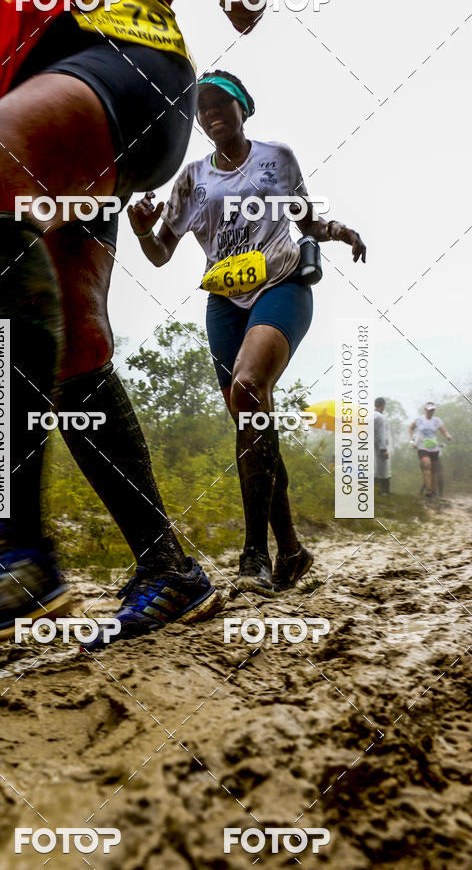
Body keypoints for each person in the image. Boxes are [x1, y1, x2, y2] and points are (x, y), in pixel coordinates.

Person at [0, 0, 264, 644]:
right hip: (54, 106)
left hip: (120, 54)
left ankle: (12, 549)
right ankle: (168, 568)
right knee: (79, 344)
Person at [128, 70, 367, 595]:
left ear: (244, 108)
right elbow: (161, 253)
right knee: (251, 416)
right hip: (224, 304)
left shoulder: (275, 158)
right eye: (202, 108)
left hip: (281, 287)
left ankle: (254, 554)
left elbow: (308, 222)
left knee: (248, 388)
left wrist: (339, 230)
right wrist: (144, 229)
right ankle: (292, 550)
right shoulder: (191, 179)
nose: (211, 114)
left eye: (221, 104)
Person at [410, 402, 451, 498]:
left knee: (434, 471)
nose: (431, 411)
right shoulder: (419, 420)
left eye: (432, 410)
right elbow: (411, 428)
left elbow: (443, 430)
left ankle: (434, 492)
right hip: (422, 446)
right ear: (425, 410)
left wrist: (447, 435)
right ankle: (428, 491)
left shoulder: (437, 420)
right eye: (429, 410)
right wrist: (412, 440)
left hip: (434, 447)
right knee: (427, 465)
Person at [374, 397, 391, 495]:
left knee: (376, 468)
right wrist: (383, 449)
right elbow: (382, 434)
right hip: (380, 447)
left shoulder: (371, 416)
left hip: (373, 446)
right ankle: (384, 491)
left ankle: (377, 491)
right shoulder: (380, 418)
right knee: (383, 470)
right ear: (383, 405)